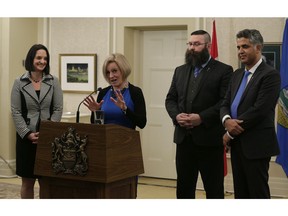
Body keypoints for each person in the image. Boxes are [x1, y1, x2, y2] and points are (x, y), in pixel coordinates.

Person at [165, 30, 233, 199]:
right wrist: (176, 116)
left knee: (214, 189)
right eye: (189, 44)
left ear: (208, 46)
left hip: (209, 141)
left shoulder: (224, 70)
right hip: (184, 140)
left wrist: (201, 118)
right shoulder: (180, 70)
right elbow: (170, 99)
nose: (191, 48)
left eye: (196, 44)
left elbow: (224, 103)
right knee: (184, 189)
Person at [220, 29, 281, 198]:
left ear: (258, 47)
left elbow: (259, 110)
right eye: (238, 47)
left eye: (245, 46)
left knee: (257, 194)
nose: (240, 51)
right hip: (238, 145)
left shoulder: (270, 75)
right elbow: (225, 103)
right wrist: (226, 121)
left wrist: (229, 133)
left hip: (257, 145)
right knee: (241, 193)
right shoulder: (237, 74)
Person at [10, 44, 63, 198]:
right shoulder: (19, 82)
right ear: (31, 59)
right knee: (27, 182)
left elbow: (58, 108)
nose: (42, 61)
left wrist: (48, 133)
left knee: (46, 182)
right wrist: (27, 134)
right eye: (39, 58)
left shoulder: (54, 81)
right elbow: (16, 111)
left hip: (48, 139)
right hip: (26, 138)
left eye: (45, 58)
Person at [83, 53, 146, 130]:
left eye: (114, 71)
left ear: (123, 70)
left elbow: (142, 123)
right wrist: (96, 112)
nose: (111, 76)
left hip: (126, 140)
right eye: (108, 72)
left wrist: (125, 109)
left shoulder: (135, 92)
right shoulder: (103, 93)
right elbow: (96, 126)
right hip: (104, 141)